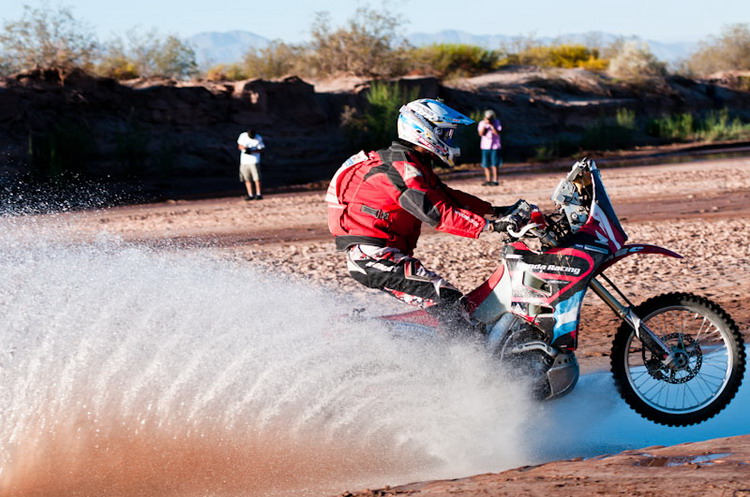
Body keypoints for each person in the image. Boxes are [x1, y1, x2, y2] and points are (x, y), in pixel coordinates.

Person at [326, 98, 529, 336]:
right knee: (447, 301)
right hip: (373, 257)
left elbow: (446, 196)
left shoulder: (409, 162)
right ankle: (469, 361)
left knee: (451, 302)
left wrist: (498, 211)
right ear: (423, 130)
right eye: (445, 132)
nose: (449, 139)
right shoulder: (401, 168)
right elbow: (437, 212)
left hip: (380, 253)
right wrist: (491, 226)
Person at [237, 129, 265, 200]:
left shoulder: (258, 138)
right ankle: (250, 194)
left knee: (257, 178)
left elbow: (261, 149)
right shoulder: (243, 136)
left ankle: (258, 194)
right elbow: (239, 146)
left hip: (254, 160)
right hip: (244, 161)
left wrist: (252, 151)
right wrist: (245, 149)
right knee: (247, 178)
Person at [477, 109, 502, 186]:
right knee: (486, 164)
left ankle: (495, 180)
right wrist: (485, 125)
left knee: (495, 164)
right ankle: (488, 180)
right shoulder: (482, 123)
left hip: (495, 146)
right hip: (485, 146)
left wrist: (492, 126)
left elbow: (497, 133)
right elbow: (480, 134)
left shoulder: (497, 122)